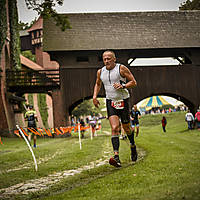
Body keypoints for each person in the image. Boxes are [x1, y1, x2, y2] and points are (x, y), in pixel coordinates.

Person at [93, 50, 137, 167]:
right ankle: (116, 157)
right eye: (104, 59)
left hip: (123, 100)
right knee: (114, 127)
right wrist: (94, 96)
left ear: (114, 59)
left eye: (109, 59)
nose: (106, 61)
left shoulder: (121, 69)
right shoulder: (100, 72)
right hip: (110, 101)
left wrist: (123, 85)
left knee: (127, 128)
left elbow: (133, 82)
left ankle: (132, 145)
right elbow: (98, 84)